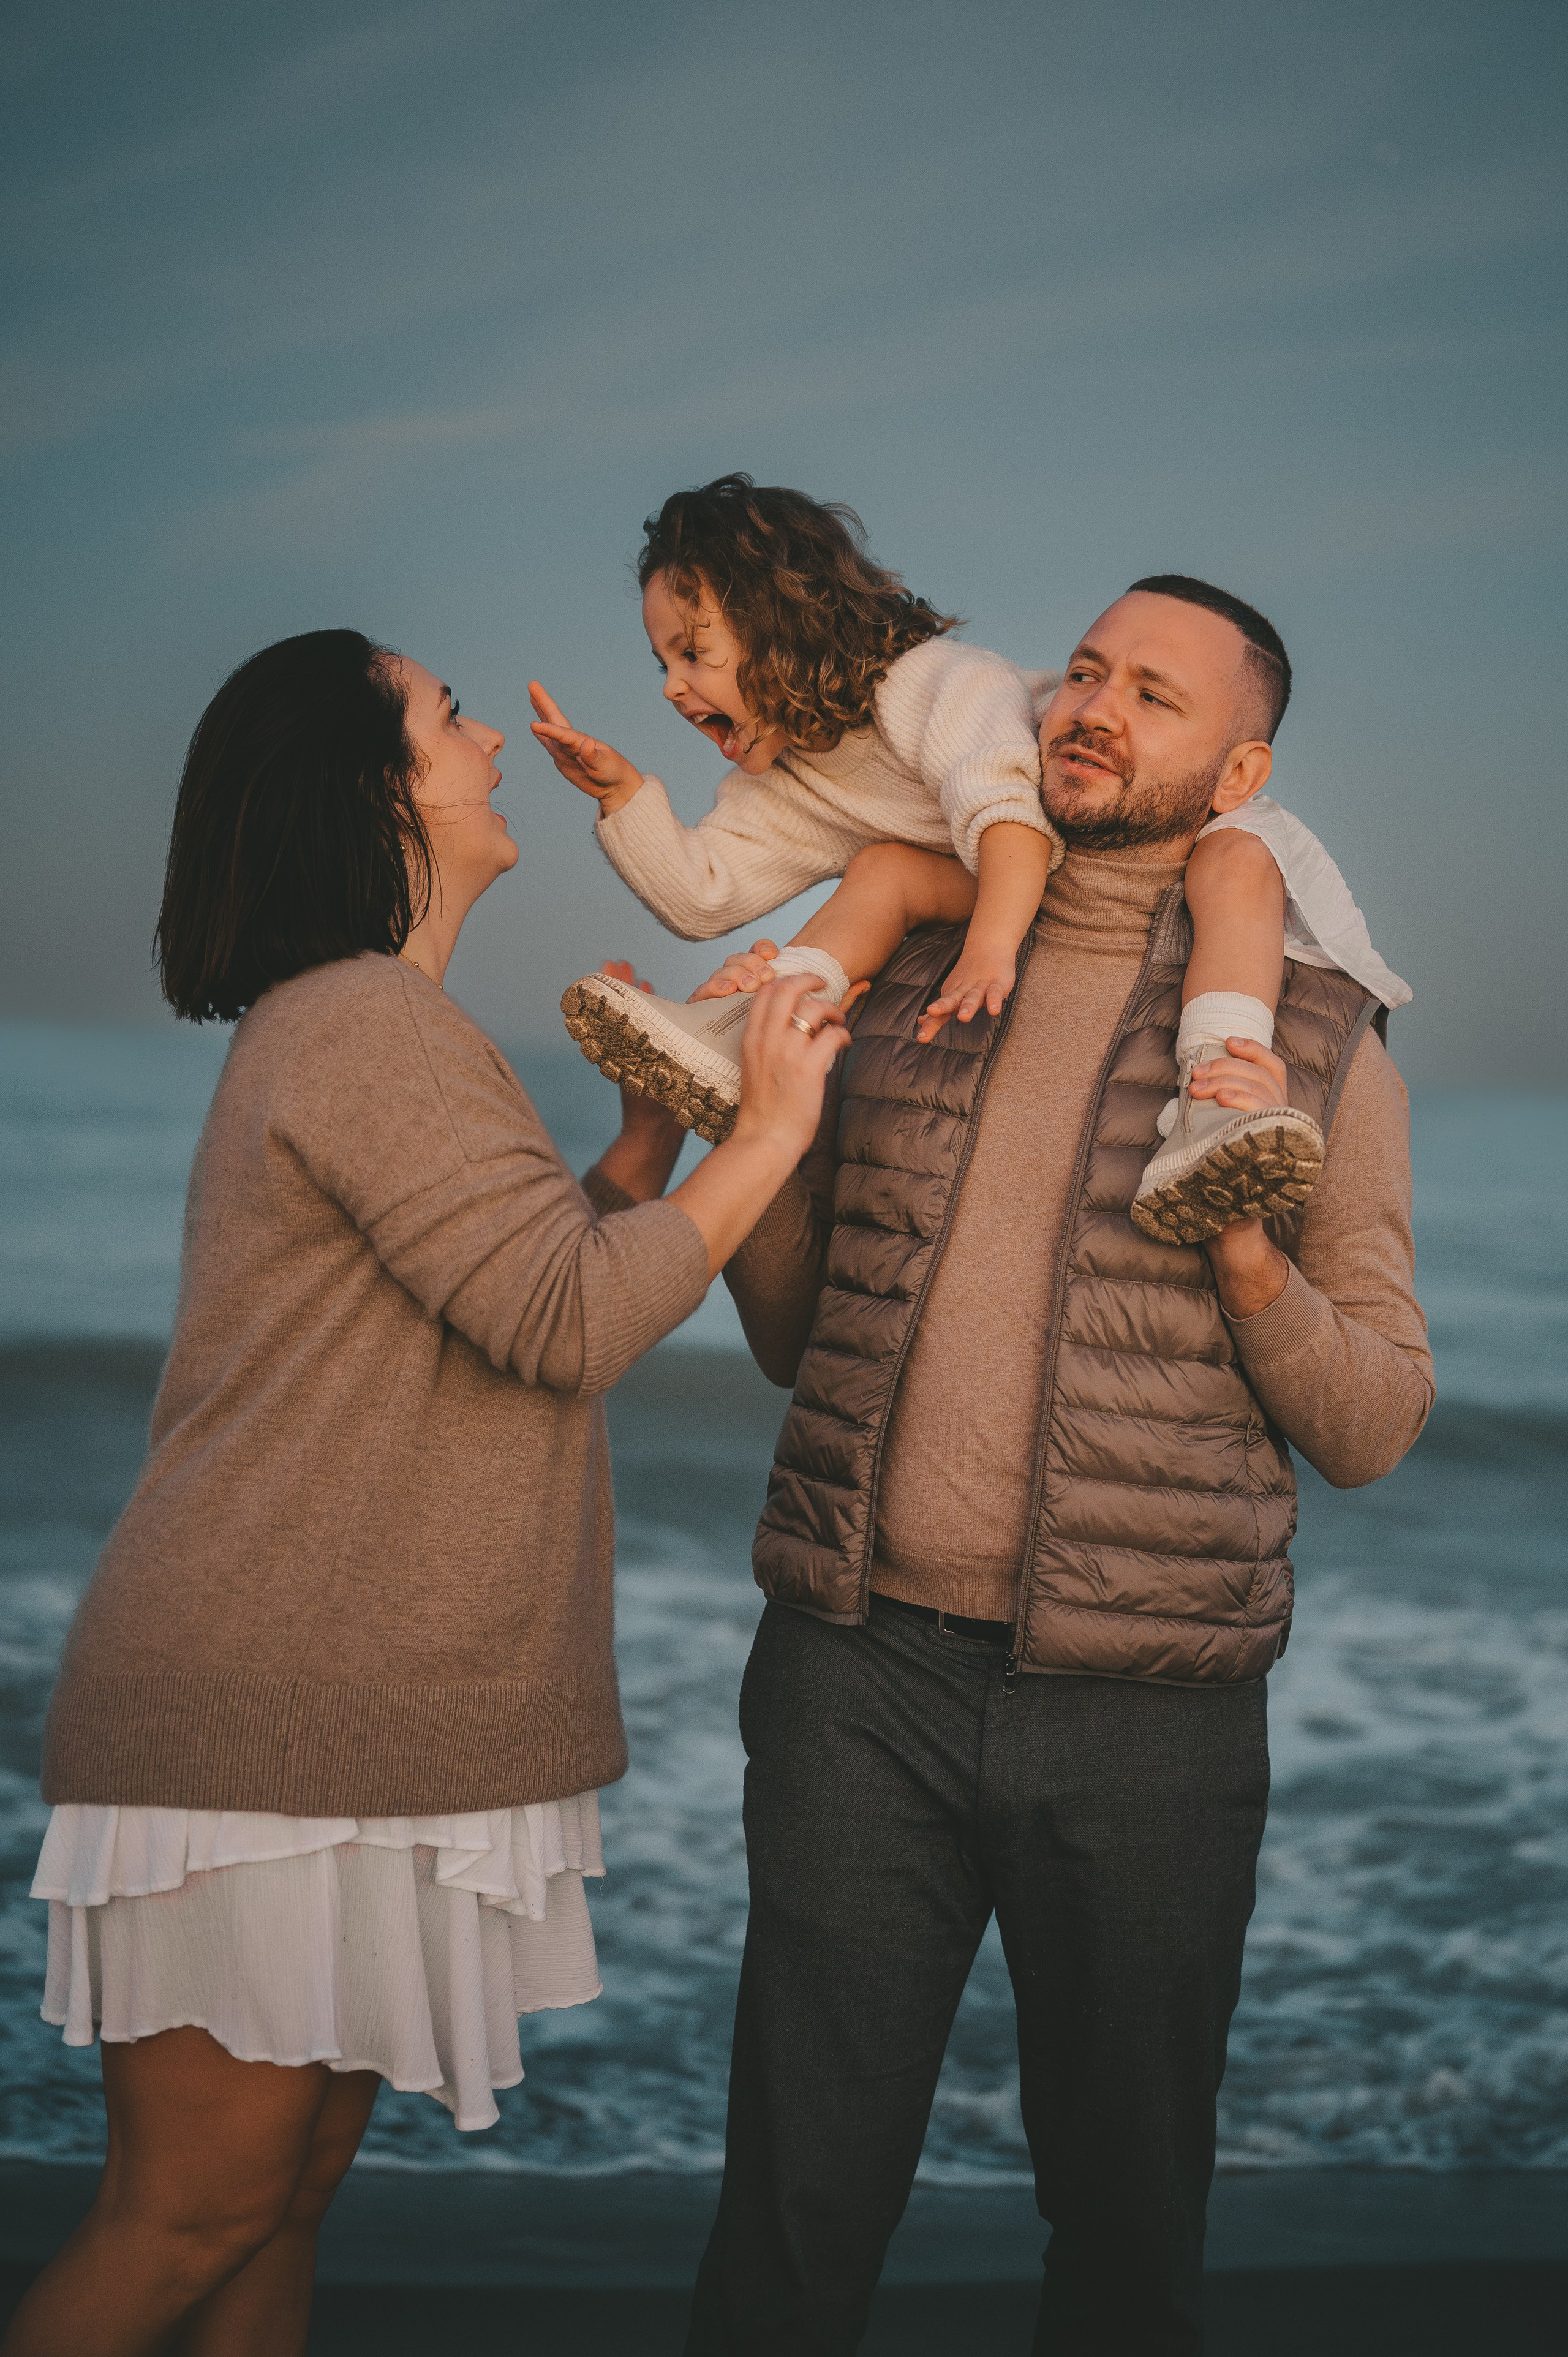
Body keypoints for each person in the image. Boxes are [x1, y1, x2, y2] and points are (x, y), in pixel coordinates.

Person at [6, 630, 846, 2357]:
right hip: (267, 1719)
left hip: (334, 1713)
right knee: (192, 2213)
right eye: (449, 715)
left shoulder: (369, 1028)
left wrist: (643, 1150)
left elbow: (493, 1288)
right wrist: (771, 1123)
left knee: (274, 2207)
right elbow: (569, 1323)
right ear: (383, 783)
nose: (486, 738)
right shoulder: (372, 1024)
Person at [679, 579, 1434, 2355]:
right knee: (791, 2217)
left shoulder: (1309, 1041)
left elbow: (1378, 1420)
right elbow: (798, 1336)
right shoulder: (910, 973)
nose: (1093, 707)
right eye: (1084, 672)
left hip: (1148, 1721)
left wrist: (1248, 1255)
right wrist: (759, 1144)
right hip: (857, 1681)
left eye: (1152, 696)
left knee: (1124, 2237)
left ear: (1237, 766)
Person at [529, 473, 1408, 1240]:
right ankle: (748, 1032)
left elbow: (1008, 818)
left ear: (782, 626)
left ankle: (1213, 1109)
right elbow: (702, 898)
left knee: (1236, 863)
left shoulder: (934, 683)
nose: (672, 686)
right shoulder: (792, 783)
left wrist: (991, 948)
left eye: (694, 653)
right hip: (1022, 867)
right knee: (882, 872)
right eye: (663, 661)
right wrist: (622, 797)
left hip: (1065, 837)